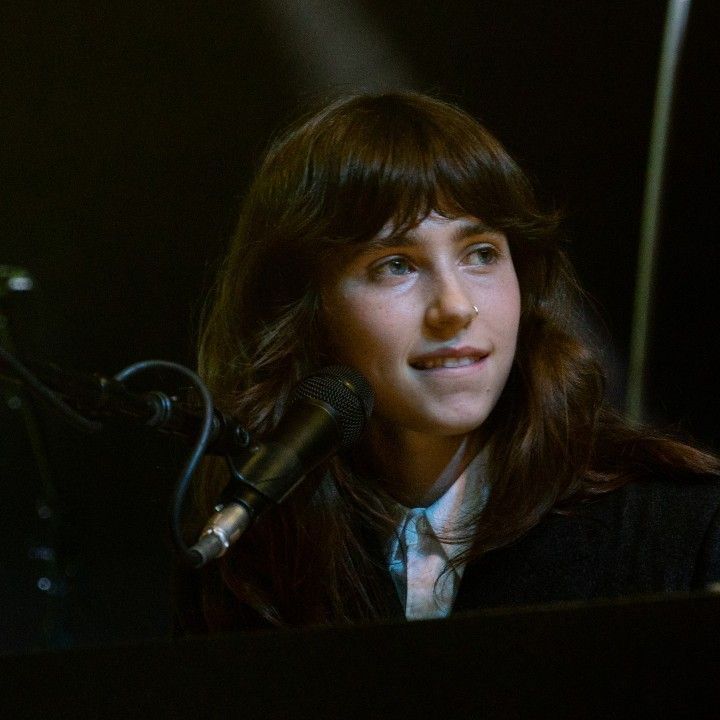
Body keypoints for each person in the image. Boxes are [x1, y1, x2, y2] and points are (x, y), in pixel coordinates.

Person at [178, 91, 720, 633]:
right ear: (302, 310)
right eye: (396, 266)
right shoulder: (251, 550)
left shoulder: (676, 528)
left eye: (481, 253)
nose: (455, 307)